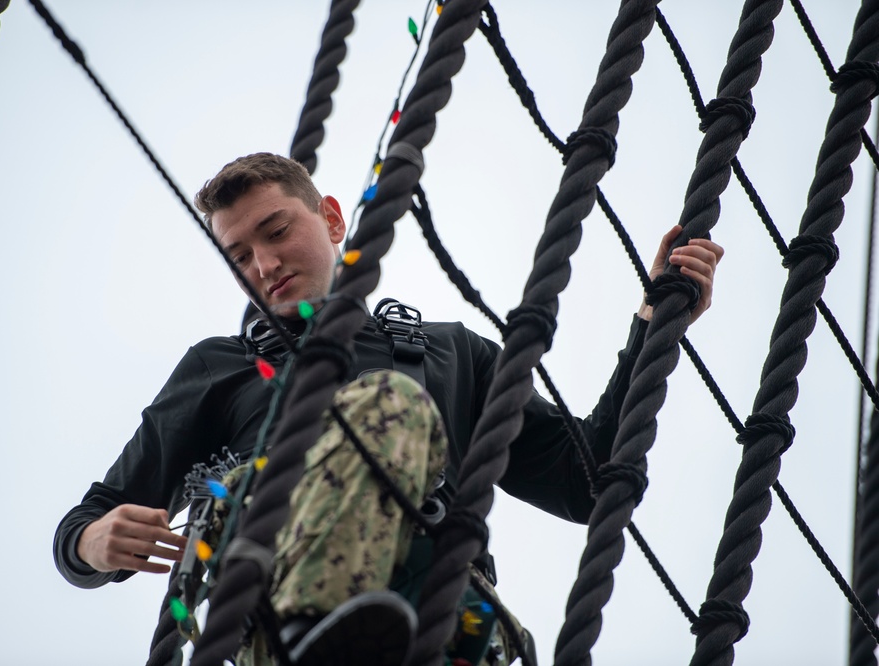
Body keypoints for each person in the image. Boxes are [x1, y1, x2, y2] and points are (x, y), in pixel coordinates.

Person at [53, 153, 724, 666]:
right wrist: (93, 543)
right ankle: (317, 633)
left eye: (277, 230)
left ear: (332, 220)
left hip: (439, 624)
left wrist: (652, 326)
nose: (264, 263)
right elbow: (86, 523)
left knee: (388, 403)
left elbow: (586, 479)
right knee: (386, 404)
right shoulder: (219, 368)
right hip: (271, 621)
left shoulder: (448, 353)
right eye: (239, 257)